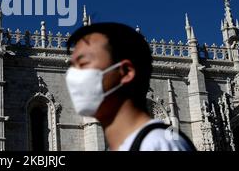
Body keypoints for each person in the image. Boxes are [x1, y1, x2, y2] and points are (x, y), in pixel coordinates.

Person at [65, 22, 196, 151]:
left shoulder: (157, 144)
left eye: (84, 64)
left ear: (126, 72)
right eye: (72, 68)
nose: (75, 77)